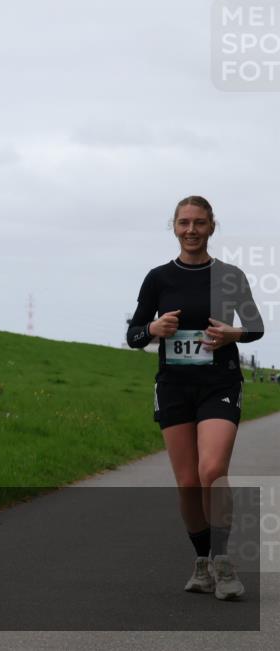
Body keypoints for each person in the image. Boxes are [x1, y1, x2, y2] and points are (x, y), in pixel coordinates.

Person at [126, 196, 264, 601]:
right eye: (184, 222)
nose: (191, 230)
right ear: (174, 227)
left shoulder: (230, 276)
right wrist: (154, 327)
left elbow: (254, 327)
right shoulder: (157, 278)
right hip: (173, 387)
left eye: (199, 223)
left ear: (211, 227)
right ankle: (201, 562)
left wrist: (231, 334)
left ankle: (223, 563)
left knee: (212, 470)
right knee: (187, 483)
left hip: (219, 383)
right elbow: (134, 336)